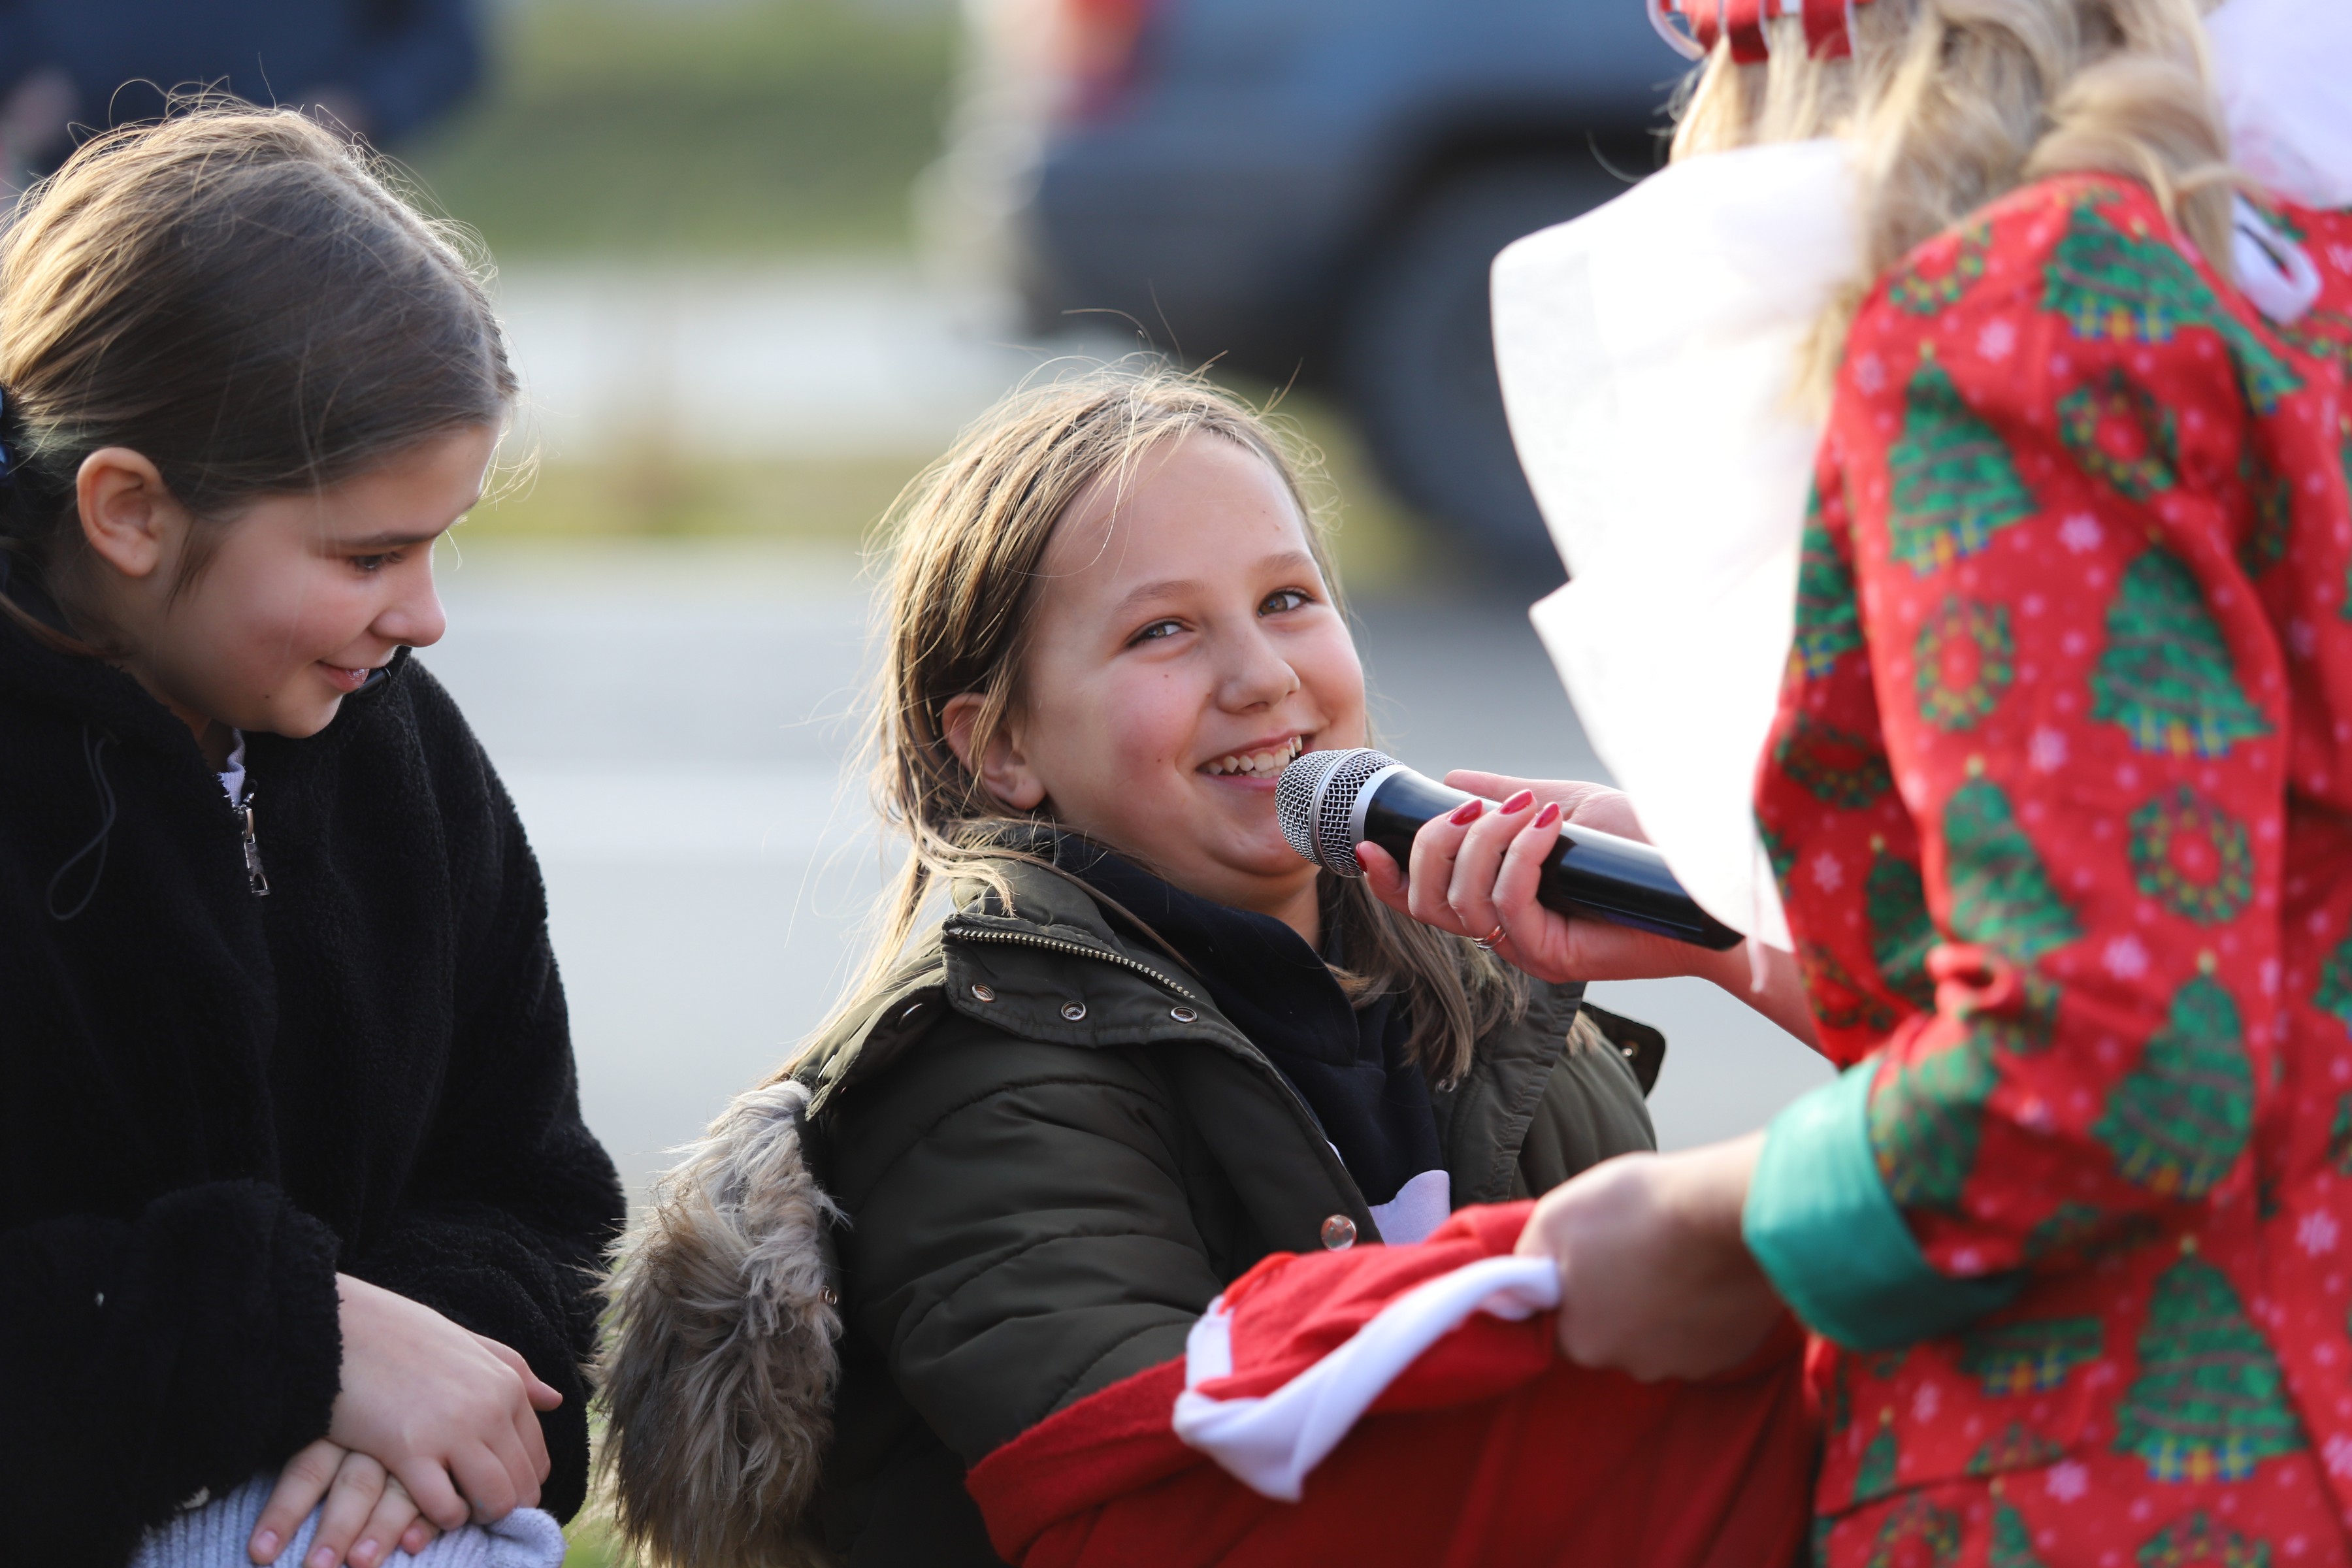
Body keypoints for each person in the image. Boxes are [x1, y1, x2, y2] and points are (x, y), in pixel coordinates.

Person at [1384, 0, 2352, 1561]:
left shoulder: (2011, 319)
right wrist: (1741, 925)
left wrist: (1719, 1226)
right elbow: (2252, 933)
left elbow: (2113, 1058)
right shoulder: (2279, 291)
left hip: (2138, 1474)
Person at [599, 366, 1678, 1567]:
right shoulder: (980, 1081)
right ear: (1002, 747)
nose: (1262, 677)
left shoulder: (1498, 1002)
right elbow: (1185, 1516)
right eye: (1162, 630)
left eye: (1287, 599)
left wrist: (1747, 931)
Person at [0, 107, 622, 1568]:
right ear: (129, 513)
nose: (424, 616)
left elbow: (535, 1190)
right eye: (367, 556)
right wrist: (297, 1336)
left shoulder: (400, 752)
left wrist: (432, 1384)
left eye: (438, 544)